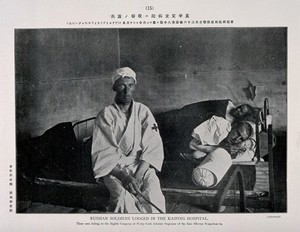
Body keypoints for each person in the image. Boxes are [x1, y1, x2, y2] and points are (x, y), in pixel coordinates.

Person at [91, 67, 165, 213]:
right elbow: (103, 154)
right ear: (114, 87)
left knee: (153, 194)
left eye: (130, 85)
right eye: (122, 85)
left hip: (140, 166)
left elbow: (153, 147)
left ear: (134, 87)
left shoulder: (143, 111)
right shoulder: (105, 115)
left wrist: (137, 176)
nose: (126, 90)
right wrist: (124, 177)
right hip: (115, 169)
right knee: (123, 199)